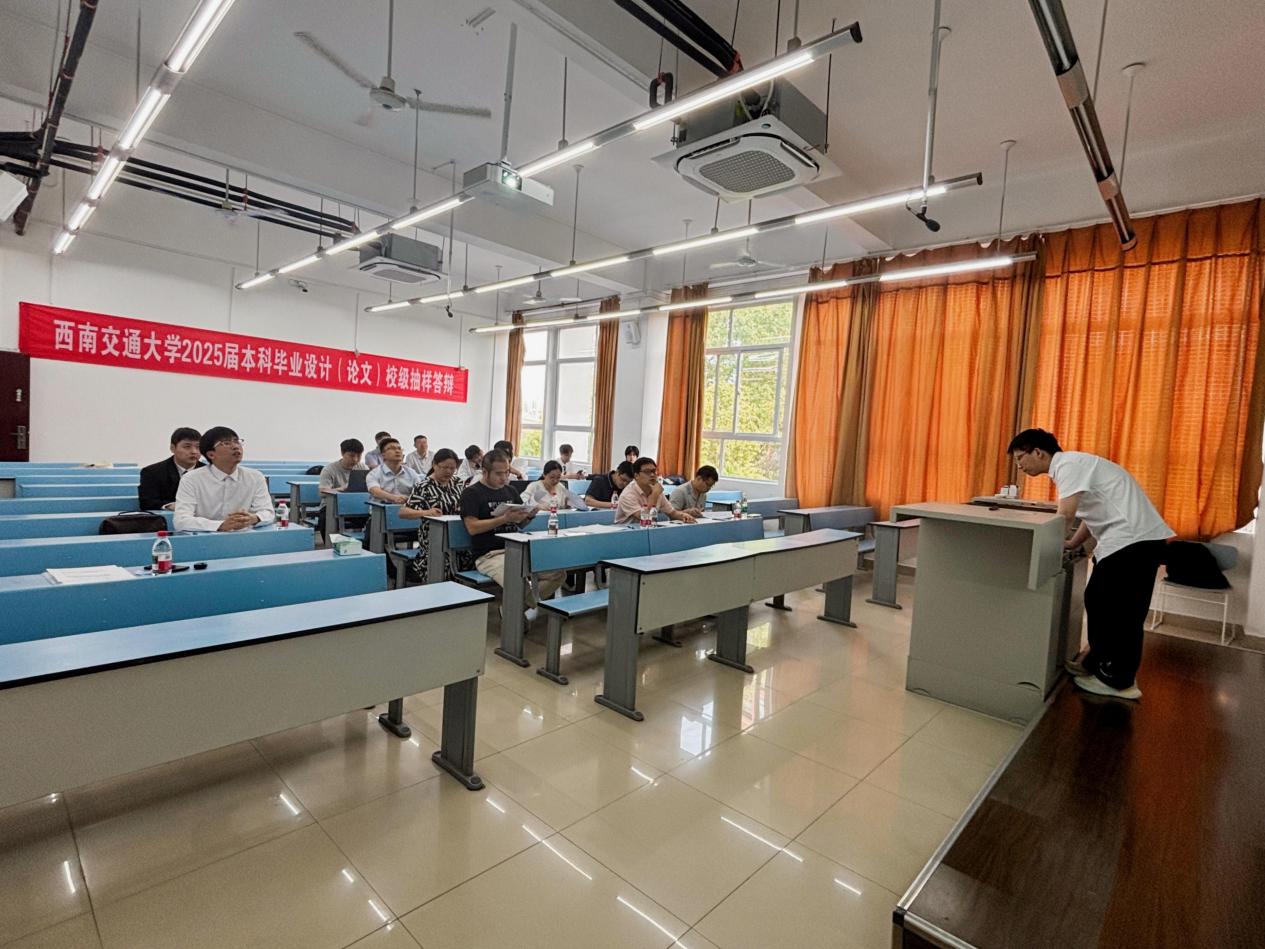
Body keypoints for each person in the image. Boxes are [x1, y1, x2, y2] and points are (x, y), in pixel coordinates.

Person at [1009, 428, 1173, 700]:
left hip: (1134, 542)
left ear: (1038, 452)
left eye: (1019, 458)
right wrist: (1073, 543)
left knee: (1118, 612)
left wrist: (1050, 549)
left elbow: (1065, 514)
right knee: (1100, 601)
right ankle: (1097, 663)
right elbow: (1091, 513)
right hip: (1131, 542)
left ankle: (1119, 681)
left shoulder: (1068, 465)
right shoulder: (1075, 466)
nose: (1019, 466)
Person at [460, 449, 564, 620]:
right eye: (498, 473)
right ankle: (514, 616)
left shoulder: (510, 491)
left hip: (516, 549)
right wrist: (503, 518)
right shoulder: (472, 493)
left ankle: (512, 609)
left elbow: (520, 524)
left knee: (558, 573)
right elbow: (472, 527)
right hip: (489, 554)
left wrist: (529, 515)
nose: (504, 477)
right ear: (485, 472)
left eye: (507, 472)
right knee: (516, 580)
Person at [174, 426, 274, 532]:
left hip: (244, 536)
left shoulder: (255, 477)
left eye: (236, 441)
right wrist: (221, 525)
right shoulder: (191, 479)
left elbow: (268, 512)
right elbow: (181, 520)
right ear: (211, 454)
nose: (235, 446)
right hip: (206, 537)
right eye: (226, 443)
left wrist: (254, 518)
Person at [399, 447, 469, 583]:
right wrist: (426, 512)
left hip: (459, 532)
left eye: (452, 468)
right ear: (434, 465)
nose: (449, 471)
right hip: (433, 535)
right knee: (445, 562)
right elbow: (403, 512)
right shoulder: (423, 486)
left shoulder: (458, 483)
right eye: (445, 467)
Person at [615, 456, 697, 525]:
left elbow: (672, 513)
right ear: (636, 476)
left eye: (654, 471)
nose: (652, 475)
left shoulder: (656, 489)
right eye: (647, 472)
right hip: (625, 534)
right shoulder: (628, 494)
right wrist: (655, 494)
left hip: (648, 531)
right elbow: (645, 517)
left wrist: (683, 516)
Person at [138, 427, 203, 510]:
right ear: (173, 448)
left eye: (198, 447)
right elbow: (146, 502)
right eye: (187, 447)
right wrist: (169, 505)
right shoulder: (152, 472)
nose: (194, 451)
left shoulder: (209, 471)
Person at [366, 437, 418, 504]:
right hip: (382, 508)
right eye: (392, 448)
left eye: (399, 448)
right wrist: (394, 498)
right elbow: (375, 491)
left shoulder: (411, 473)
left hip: (407, 507)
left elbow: (420, 491)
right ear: (383, 455)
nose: (397, 451)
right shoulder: (374, 474)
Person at [522, 461, 590, 511]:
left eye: (558, 477)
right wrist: (536, 506)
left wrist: (569, 503)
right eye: (552, 477)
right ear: (544, 475)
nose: (555, 481)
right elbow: (522, 501)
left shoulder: (560, 487)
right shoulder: (535, 486)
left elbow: (565, 504)